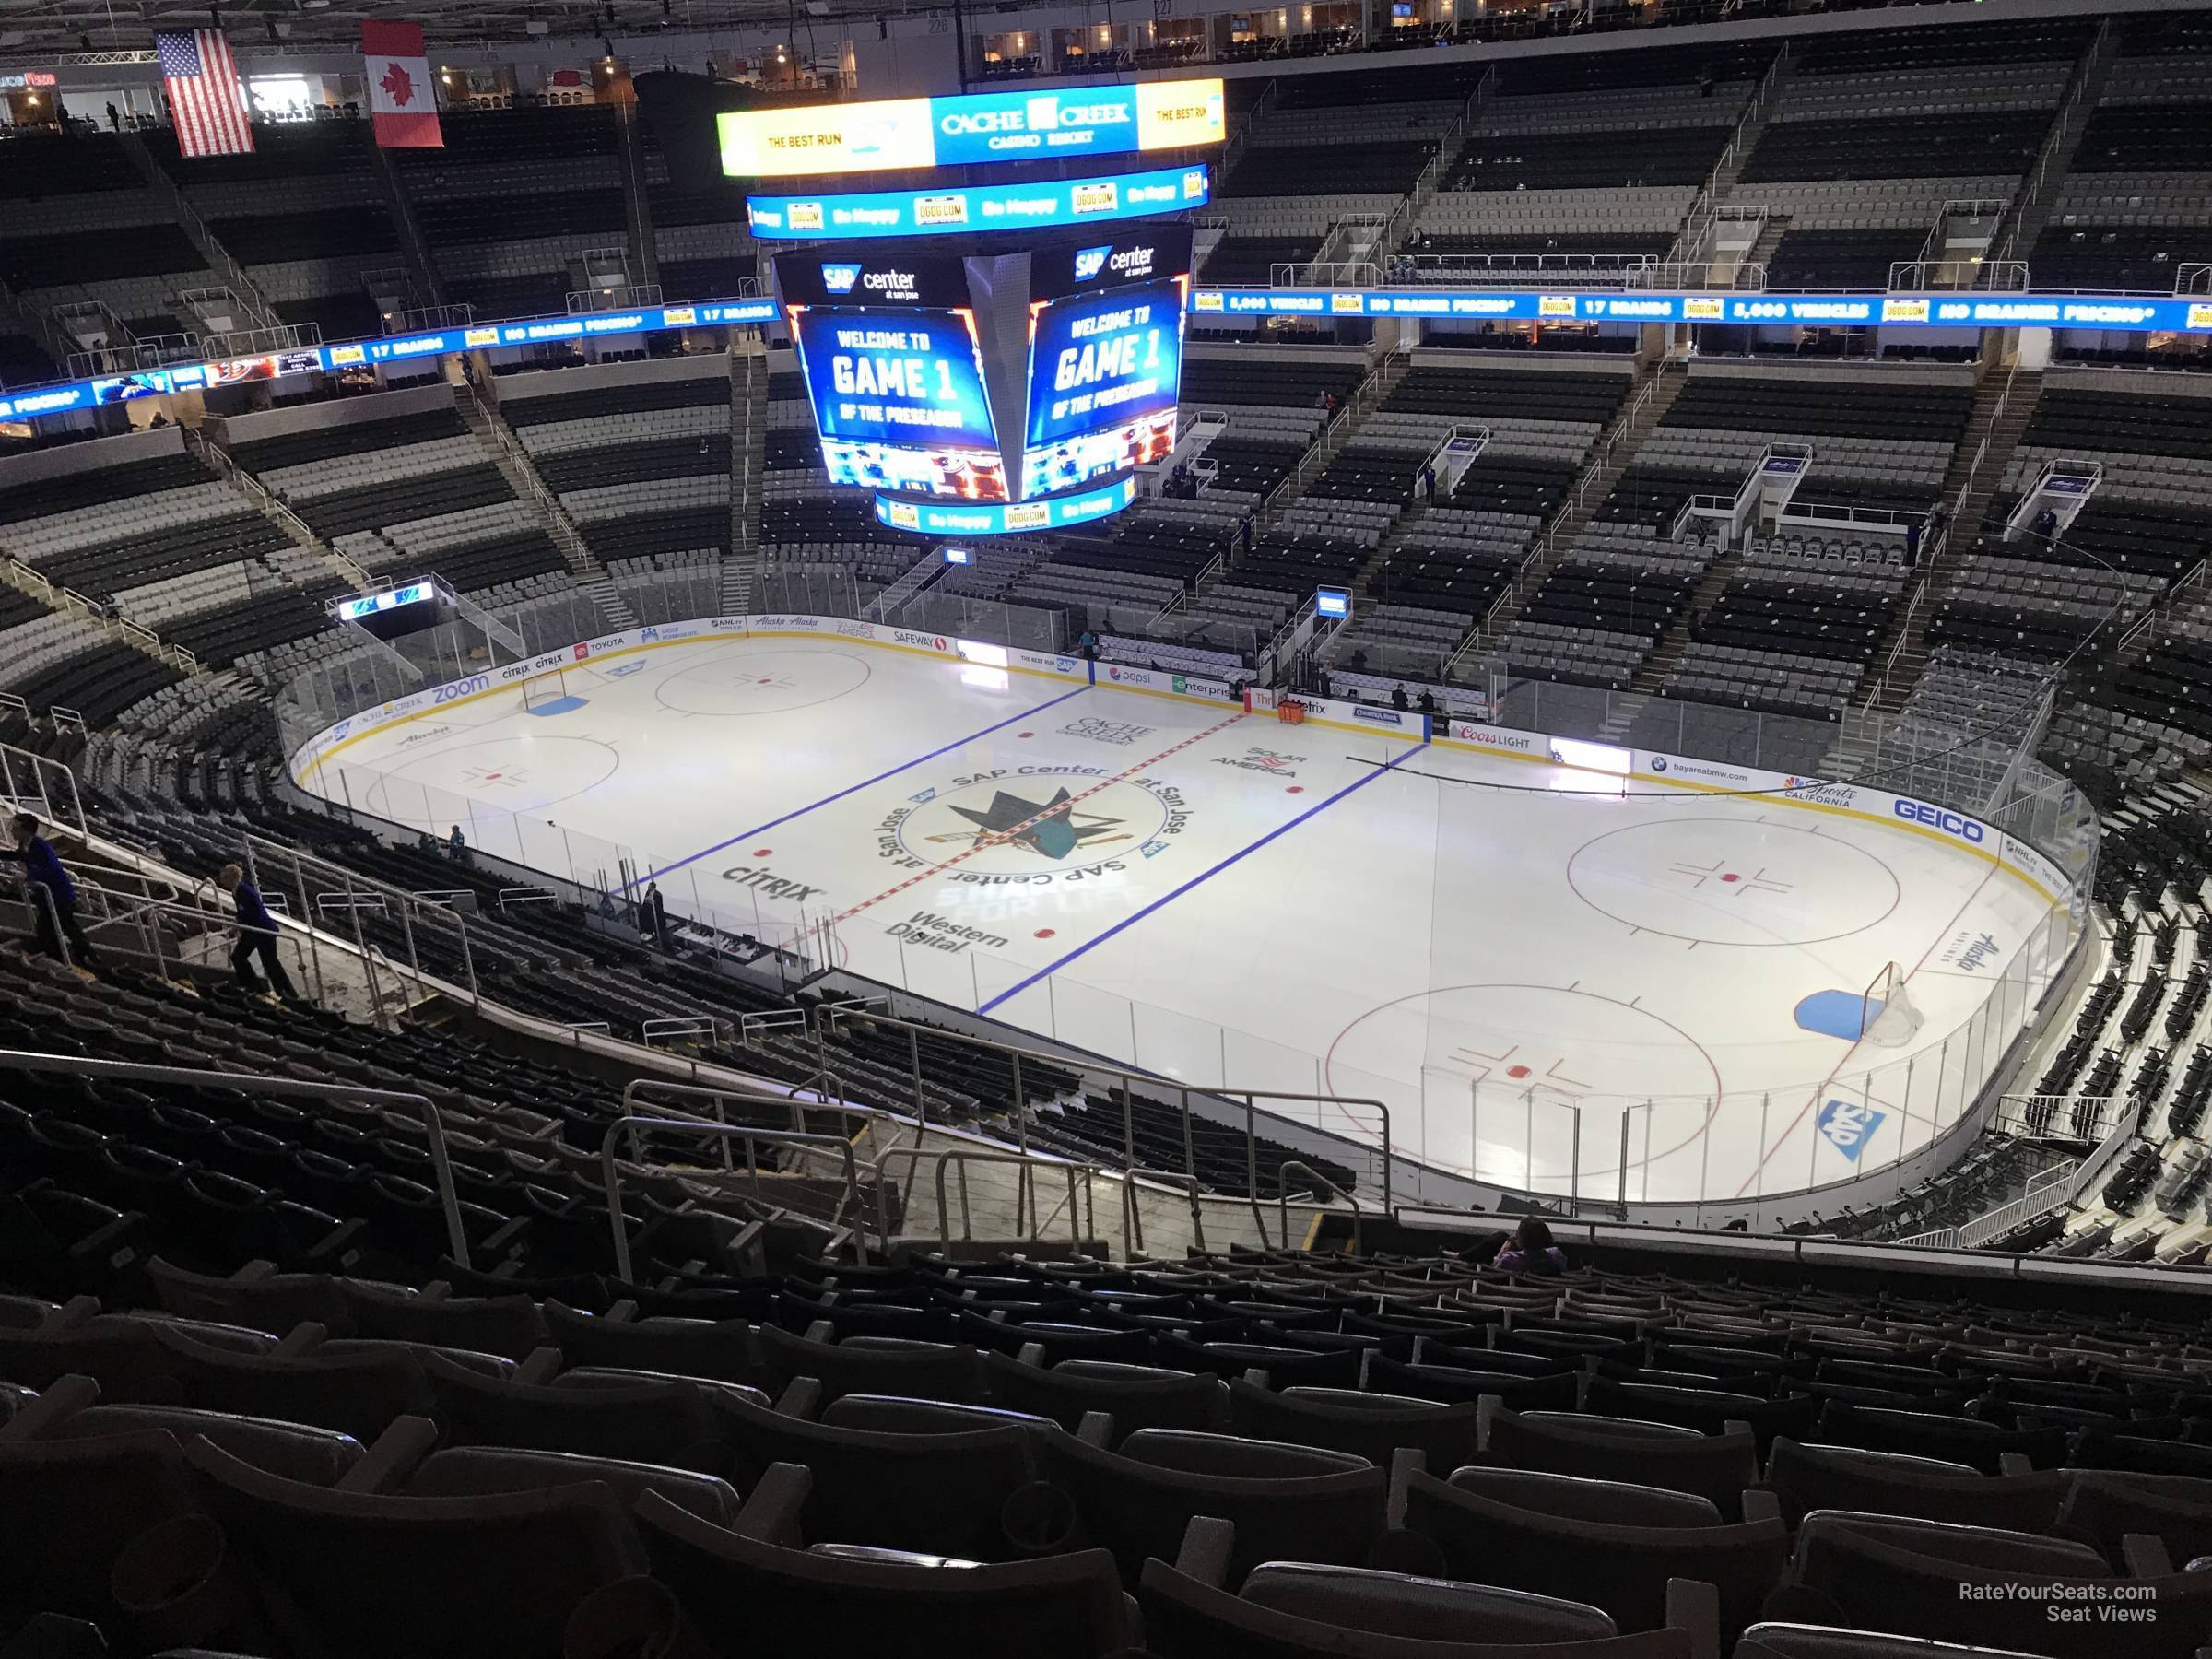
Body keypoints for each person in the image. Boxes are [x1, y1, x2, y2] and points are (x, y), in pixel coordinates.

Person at [2, 812, 98, 969]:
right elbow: (16, 856)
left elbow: (50, 868)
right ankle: (65, 958)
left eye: (15, 828)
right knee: (55, 928)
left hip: (59, 894)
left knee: (66, 927)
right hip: (46, 897)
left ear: (26, 831)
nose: (12, 831)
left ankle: (83, 959)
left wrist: (27, 876)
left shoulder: (40, 846)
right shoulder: (25, 845)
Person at [218, 862, 297, 1001]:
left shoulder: (245, 892)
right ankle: (255, 987)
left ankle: (285, 993)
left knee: (269, 963)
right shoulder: (238, 891)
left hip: (262, 930)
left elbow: (253, 913)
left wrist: (239, 922)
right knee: (241, 956)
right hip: (253, 930)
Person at [1494, 1216, 1565, 1277]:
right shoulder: (1556, 1256)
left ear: (1520, 1239)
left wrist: (1500, 1255)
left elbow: (1493, 1275)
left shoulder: (1508, 1260)